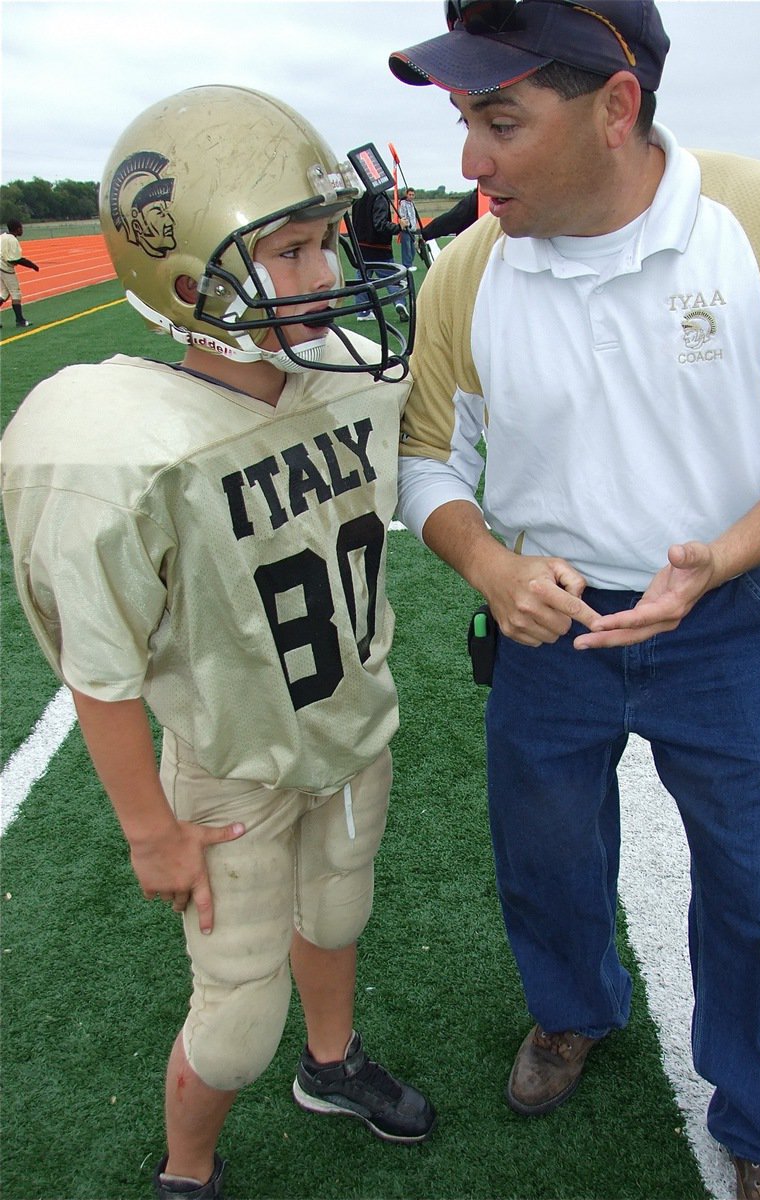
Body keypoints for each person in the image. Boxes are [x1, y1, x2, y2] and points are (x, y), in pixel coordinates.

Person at [388, 4, 760, 1199]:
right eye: (467, 120)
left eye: (500, 120)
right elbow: (423, 461)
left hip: (722, 622)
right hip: (542, 623)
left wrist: (722, 556)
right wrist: (489, 567)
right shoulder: (467, 268)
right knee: (547, 857)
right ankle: (570, 1010)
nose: (469, 161)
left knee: (750, 894)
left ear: (617, 107)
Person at [1, 84, 432, 1200]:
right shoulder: (118, 444)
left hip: (346, 717)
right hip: (231, 755)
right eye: (288, 250)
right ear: (189, 282)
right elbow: (98, 673)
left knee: (340, 907)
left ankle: (332, 1066)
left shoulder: (346, 370)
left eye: (324, 238)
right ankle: (187, 1171)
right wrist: (149, 831)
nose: (328, 272)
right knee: (236, 1016)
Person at [348, 188, 410, 321]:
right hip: (379, 247)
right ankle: (399, 302)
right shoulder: (379, 197)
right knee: (392, 278)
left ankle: (363, 312)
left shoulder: (358, 197)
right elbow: (380, 225)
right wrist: (399, 227)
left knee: (362, 280)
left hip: (360, 246)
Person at [0, 218, 39, 327]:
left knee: (4, 294)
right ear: (17, 229)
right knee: (15, 293)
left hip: (0, 266)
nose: (22, 230)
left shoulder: (2, 236)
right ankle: (20, 320)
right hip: (5, 268)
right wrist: (32, 265)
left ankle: (19, 320)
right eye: (21, 228)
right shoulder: (12, 240)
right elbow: (15, 259)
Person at [398, 187, 421, 269]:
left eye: (413, 195)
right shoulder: (403, 204)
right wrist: (407, 225)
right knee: (406, 248)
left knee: (412, 248)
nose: (411, 196)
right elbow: (402, 215)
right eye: (410, 194)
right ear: (406, 195)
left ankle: (410, 263)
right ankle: (407, 265)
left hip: (413, 230)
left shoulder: (412, 204)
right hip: (406, 230)